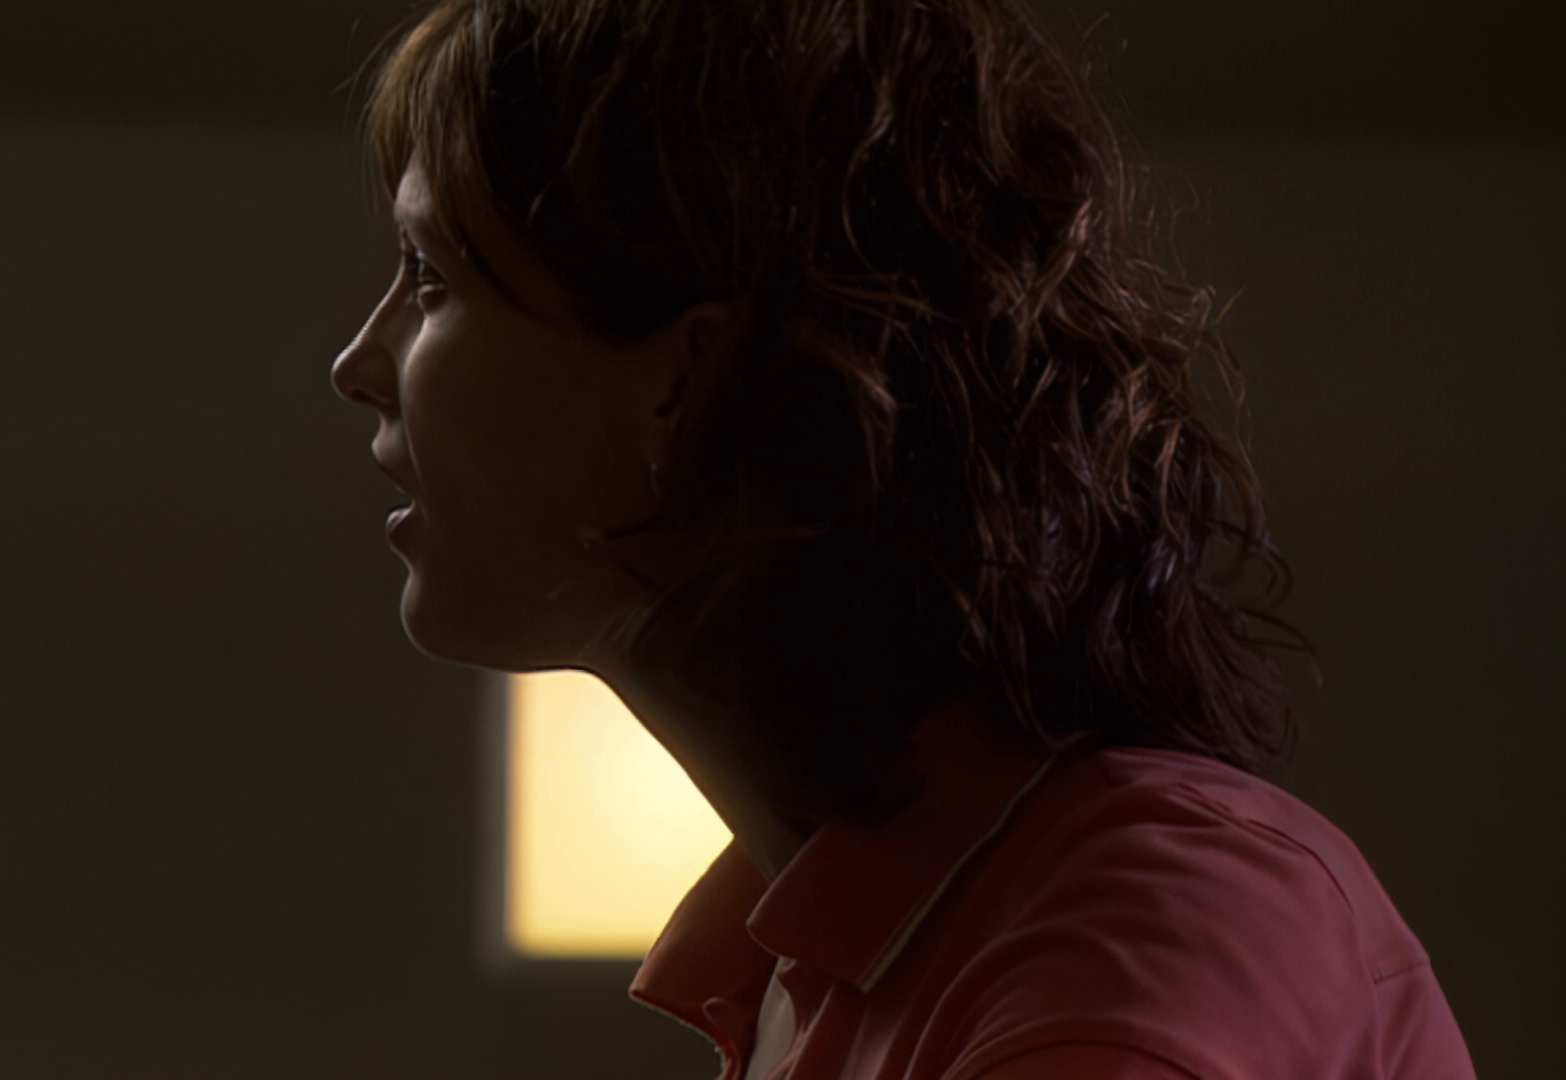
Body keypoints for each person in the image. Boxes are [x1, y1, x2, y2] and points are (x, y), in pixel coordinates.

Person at [329, 1, 1475, 1077]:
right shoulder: (802, 971)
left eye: (430, 279)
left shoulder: (1132, 928)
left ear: (695, 372)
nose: (357, 366)